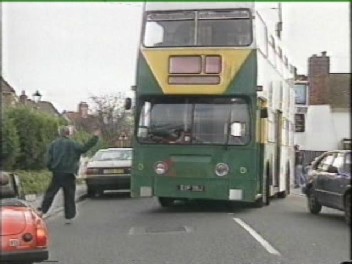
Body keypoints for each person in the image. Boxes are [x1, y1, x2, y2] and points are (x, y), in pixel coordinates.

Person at [37, 126, 100, 224]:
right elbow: (84, 148)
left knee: (51, 193)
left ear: (59, 133)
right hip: (69, 173)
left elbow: (48, 158)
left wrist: (51, 168)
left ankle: (42, 211)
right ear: (68, 133)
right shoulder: (73, 144)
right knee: (69, 195)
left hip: (57, 172)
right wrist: (94, 138)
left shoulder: (54, 144)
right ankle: (69, 216)